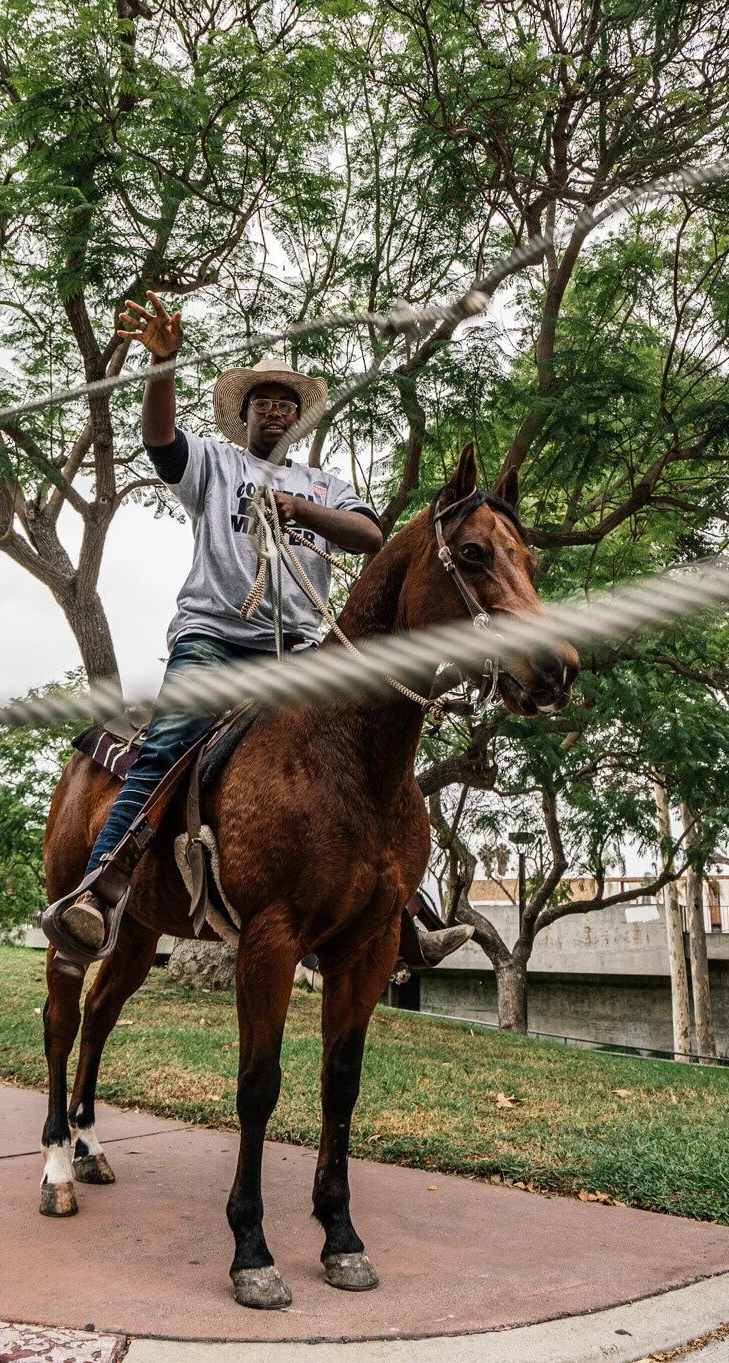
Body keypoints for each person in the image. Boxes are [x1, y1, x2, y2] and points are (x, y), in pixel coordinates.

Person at [46, 290, 446, 960]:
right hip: (213, 642)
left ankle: (402, 904)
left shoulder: (324, 484)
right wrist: (162, 369)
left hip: (300, 659)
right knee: (165, 748)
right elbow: (160, 442)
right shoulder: (217, 463)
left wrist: (300, 509)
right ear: (247, 415)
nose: (276, 411)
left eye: (286, 404)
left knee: (369, 755)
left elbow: (371, 534)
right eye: (264, 402)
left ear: (298, 418)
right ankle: (99, 890)